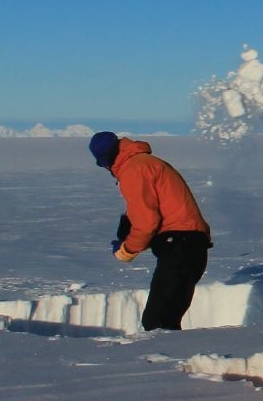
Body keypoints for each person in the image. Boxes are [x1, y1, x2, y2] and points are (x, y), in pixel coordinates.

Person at [89, 131, 212, 330]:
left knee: (156, 323)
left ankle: (167, 360)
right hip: (192, 246)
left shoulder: (133, 170)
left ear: (106, 160)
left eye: (103, 164)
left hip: (179, 247)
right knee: (168, 320)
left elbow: (147, 222)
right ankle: (176, 360)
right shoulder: (146, 163)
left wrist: (127, 250)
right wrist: (129, 228)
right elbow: (154, 213)